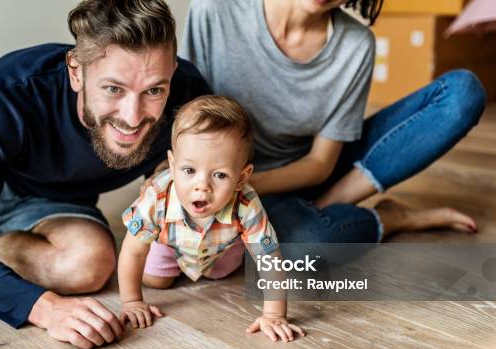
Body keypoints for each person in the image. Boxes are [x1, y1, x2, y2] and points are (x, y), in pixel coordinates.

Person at [0, 0, 209, 349]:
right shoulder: (13, 89)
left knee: (90, 264)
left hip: (50, 205)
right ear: (76, 71)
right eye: (113, 89)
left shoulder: (190, 99)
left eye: (154, 90)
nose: (132, 117)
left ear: (171, 73)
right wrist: (46, 309)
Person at [181, 0, 487, 244]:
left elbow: (320, 163)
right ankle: (385, 220)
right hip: (220, 180)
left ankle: (328, 210)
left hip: (300, 176)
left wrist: (248, 184)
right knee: (308, 246)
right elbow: (186, 123)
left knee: (463, 93)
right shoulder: (213, 10)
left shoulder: (356, 44)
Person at [117, 95, 305, 342]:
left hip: (220, 248)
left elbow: (269, 259)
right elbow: (133, 251)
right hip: (169, 241)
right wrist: (132, 301)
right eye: (189, 170)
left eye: (219, 175)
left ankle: (229, 249)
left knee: (221, 274)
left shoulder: (246, 204)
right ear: (173, 166)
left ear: (241, 178)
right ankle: (173, 261)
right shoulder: (156, 198)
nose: (202, 186)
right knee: (156, 280)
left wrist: (274, 314)